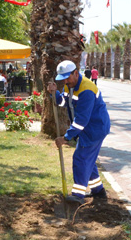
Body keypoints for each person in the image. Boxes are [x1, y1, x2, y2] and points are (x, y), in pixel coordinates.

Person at [47, 60, 111, 205]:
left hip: (95, 128)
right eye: (62, 79)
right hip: (87, 128)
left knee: (81, 158)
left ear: (76, 73)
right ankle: (98, 191)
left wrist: (66, 138)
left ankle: (77, 195)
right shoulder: (70, 86)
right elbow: (63, 102)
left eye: (67, 78)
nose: (65, 81)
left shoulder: (86, 89)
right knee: (88, 159)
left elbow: (81, 120)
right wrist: (55, 93)